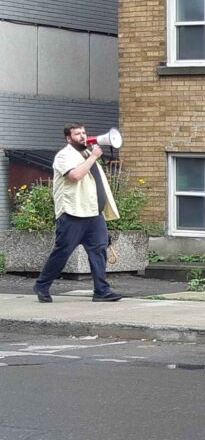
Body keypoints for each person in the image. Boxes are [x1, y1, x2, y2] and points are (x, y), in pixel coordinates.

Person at [33, 123, 123, 304]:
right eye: (77, 134)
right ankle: (42, 285)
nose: (83, 136)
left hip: (93, 214)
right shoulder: (64, 156)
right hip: (72, 213)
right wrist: (94, 157)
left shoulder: (87, 154)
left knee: (99, 251)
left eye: (84, 132)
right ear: (68, 138)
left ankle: (101, 291)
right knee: (62, 252)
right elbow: (75, 176)